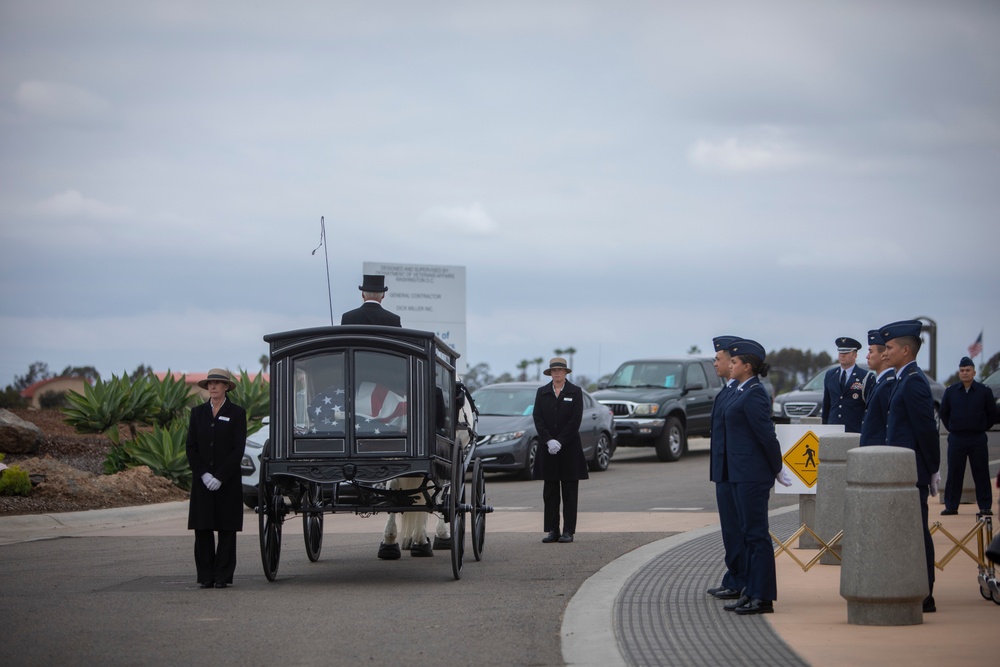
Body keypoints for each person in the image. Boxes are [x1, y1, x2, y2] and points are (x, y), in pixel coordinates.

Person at [721, 339, 790, 615]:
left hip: (753, 475)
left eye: (735, 362)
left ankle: (763, 597)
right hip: (740, 474)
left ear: (747, 367)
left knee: (756, 535)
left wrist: (777, 467)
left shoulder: (755, 394)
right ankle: (750, 590)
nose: (730, 365)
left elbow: (766, 435)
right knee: (748, 535)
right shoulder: (740, 391)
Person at [882, 320, 941, 613]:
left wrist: (932, 469)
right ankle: (915, 586)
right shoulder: (903, 379)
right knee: (908, 531)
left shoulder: (914, 381)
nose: (885, 352)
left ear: (906, 350)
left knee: (917, 532)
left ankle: (925, 593)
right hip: (901, 470)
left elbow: (926, 430)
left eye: (890, 347)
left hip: (912, 471)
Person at [186, 368, 248, 589]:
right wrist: (203, 474)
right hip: (202, 481)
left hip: (227, 481)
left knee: (226, 528)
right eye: (210, 383)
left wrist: (220, 476)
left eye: (217, 383)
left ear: (226, 387)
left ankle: (222, 575)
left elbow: (237, 449)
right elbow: (191, 448)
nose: (212, 386)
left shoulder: (237, 413)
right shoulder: (197, 413)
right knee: (202, 529)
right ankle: (205, 576)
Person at [532, 357, 588, 544]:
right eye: (554, 370)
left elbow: (575, 420)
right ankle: (552, 530)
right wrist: (548, 441)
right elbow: (537, 418)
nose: (557, 373)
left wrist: (560, 441)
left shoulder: (575, 392)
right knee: (550, 492)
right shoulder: (542, 392)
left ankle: (568, 531)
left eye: (560, 370)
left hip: (569, 450)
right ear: (550, 373)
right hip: (548, 451)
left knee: (570, 492)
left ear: (565, 373)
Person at [706, 335, 744, 601]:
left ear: (733, 361)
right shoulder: (728, 390)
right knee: (729, 529)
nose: (715, 363)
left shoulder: (742, 391)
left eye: (718, 358)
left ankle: (739, 580)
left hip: (737, 471)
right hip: (724, 470)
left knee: (738, 529)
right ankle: (733, 577)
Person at [939, 356, 998, 516]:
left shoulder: (984, 391)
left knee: (981, 473)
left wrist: (982, 427)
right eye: (962, 370)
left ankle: (985, 506)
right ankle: (951, 506)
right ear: (959, 372)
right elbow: (944, 413)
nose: (965, 373)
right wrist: (953, 427)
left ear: (974, 372)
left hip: (977, 437)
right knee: (954, 473)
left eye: (968, 370)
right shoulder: (951, 391)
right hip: (957, 437)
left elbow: (992, 414)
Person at [822, 336, 872, 433]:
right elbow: (827, 404)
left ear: (855, 355)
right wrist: (824, 426)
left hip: (854, 429)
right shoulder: (830, 375)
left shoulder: (865, 376)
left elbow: (868, 407)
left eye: (846, 352)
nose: (842, 355)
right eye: (840, 352)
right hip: (833, 429)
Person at [859, 329, 896, 446]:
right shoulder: (880, 382)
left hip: (878, 452)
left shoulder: (887, 384)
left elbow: (888, 424)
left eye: (871, 352)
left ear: (884, 355)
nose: (867, 356)